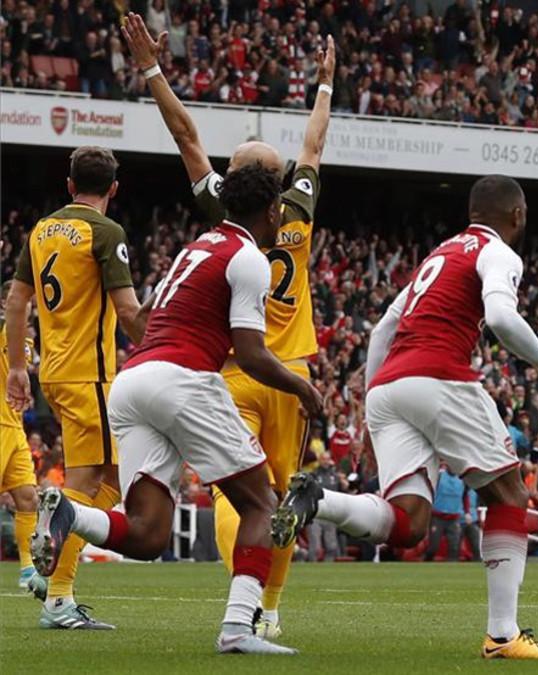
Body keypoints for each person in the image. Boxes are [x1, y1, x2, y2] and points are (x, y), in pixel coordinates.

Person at [272, 175, 538, 659]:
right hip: (439, 376)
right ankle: (502, 635)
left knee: (409, 523)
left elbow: (382, 330)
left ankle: (319, 501)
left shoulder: (439, 254)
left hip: (389, 386)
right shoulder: (499, 253)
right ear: (517, 215)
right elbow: (500, 318)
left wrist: (372, 406)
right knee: (511, 493)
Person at [30, 163, 323, 654]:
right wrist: (301, 387)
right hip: (182, 380)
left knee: (147, 535)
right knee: (260, 503)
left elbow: (142, 318)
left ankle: (70, 517)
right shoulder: (248, 257)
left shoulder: (197, 247)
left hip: (134, 380)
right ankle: (237, 628)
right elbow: (250, 354)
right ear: (271, 210)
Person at [122, 12, 335, 638]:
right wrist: (324, 86)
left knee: (233, 495)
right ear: (278, 184)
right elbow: (315, 145)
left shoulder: (223, 210)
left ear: (235, 178)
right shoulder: (295, 203)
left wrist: (153, 71)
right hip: (288, 364)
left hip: (229, 369)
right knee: (279, 493)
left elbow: (187, 136)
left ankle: (243, 593)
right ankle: (267, 608)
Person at [5, 146, 145, 630]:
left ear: (69, 186)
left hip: (55, 372)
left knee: (109, 477)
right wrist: (166, 350)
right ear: (113, 189)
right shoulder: (106, 231)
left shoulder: (43, 230)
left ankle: (57, 551)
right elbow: (128, 311)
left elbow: (16, 302)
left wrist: (17, 367)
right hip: (91, 374)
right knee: (97, 484)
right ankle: (58, 595)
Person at [0, 284, 43, 598]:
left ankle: (28, 568)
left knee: (28, 496)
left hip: (14, 427)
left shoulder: (29, 339)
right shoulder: (6, 331)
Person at [425, 464, 465, 562]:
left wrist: (465, 512)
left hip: (454, 518)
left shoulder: (462, 480)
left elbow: (465, 497)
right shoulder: (439, 477)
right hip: (438, 517)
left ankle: (452, 570)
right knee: (433, 547)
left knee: (454, 547)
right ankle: (427, 562)